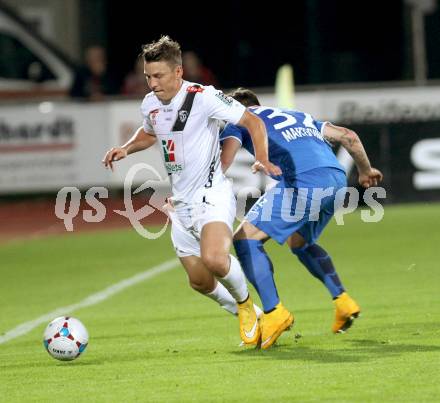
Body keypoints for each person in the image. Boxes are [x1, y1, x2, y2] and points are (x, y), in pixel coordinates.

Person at [102, 37, 281, 346]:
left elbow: (252, 121)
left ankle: (246, 305)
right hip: (181, 203)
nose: (152, 83)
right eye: (148, 76)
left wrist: (262, 157)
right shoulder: (150, 104)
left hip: (212, 195)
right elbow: (148, 133)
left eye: (158, 76)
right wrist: (126, 148)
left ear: (179, 72)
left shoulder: (204, 97)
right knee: (199, 281)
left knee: (215, 259)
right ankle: (255, 315)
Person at [220, 88, 383, 349]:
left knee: (244, 239)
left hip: (305, 182)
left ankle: (274, 313)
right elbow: (348, 136)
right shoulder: (299, 116)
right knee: (300, 242)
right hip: (336, 179)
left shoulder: (239, 119)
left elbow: (221, 163)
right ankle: (342, 301)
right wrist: (365, 171)